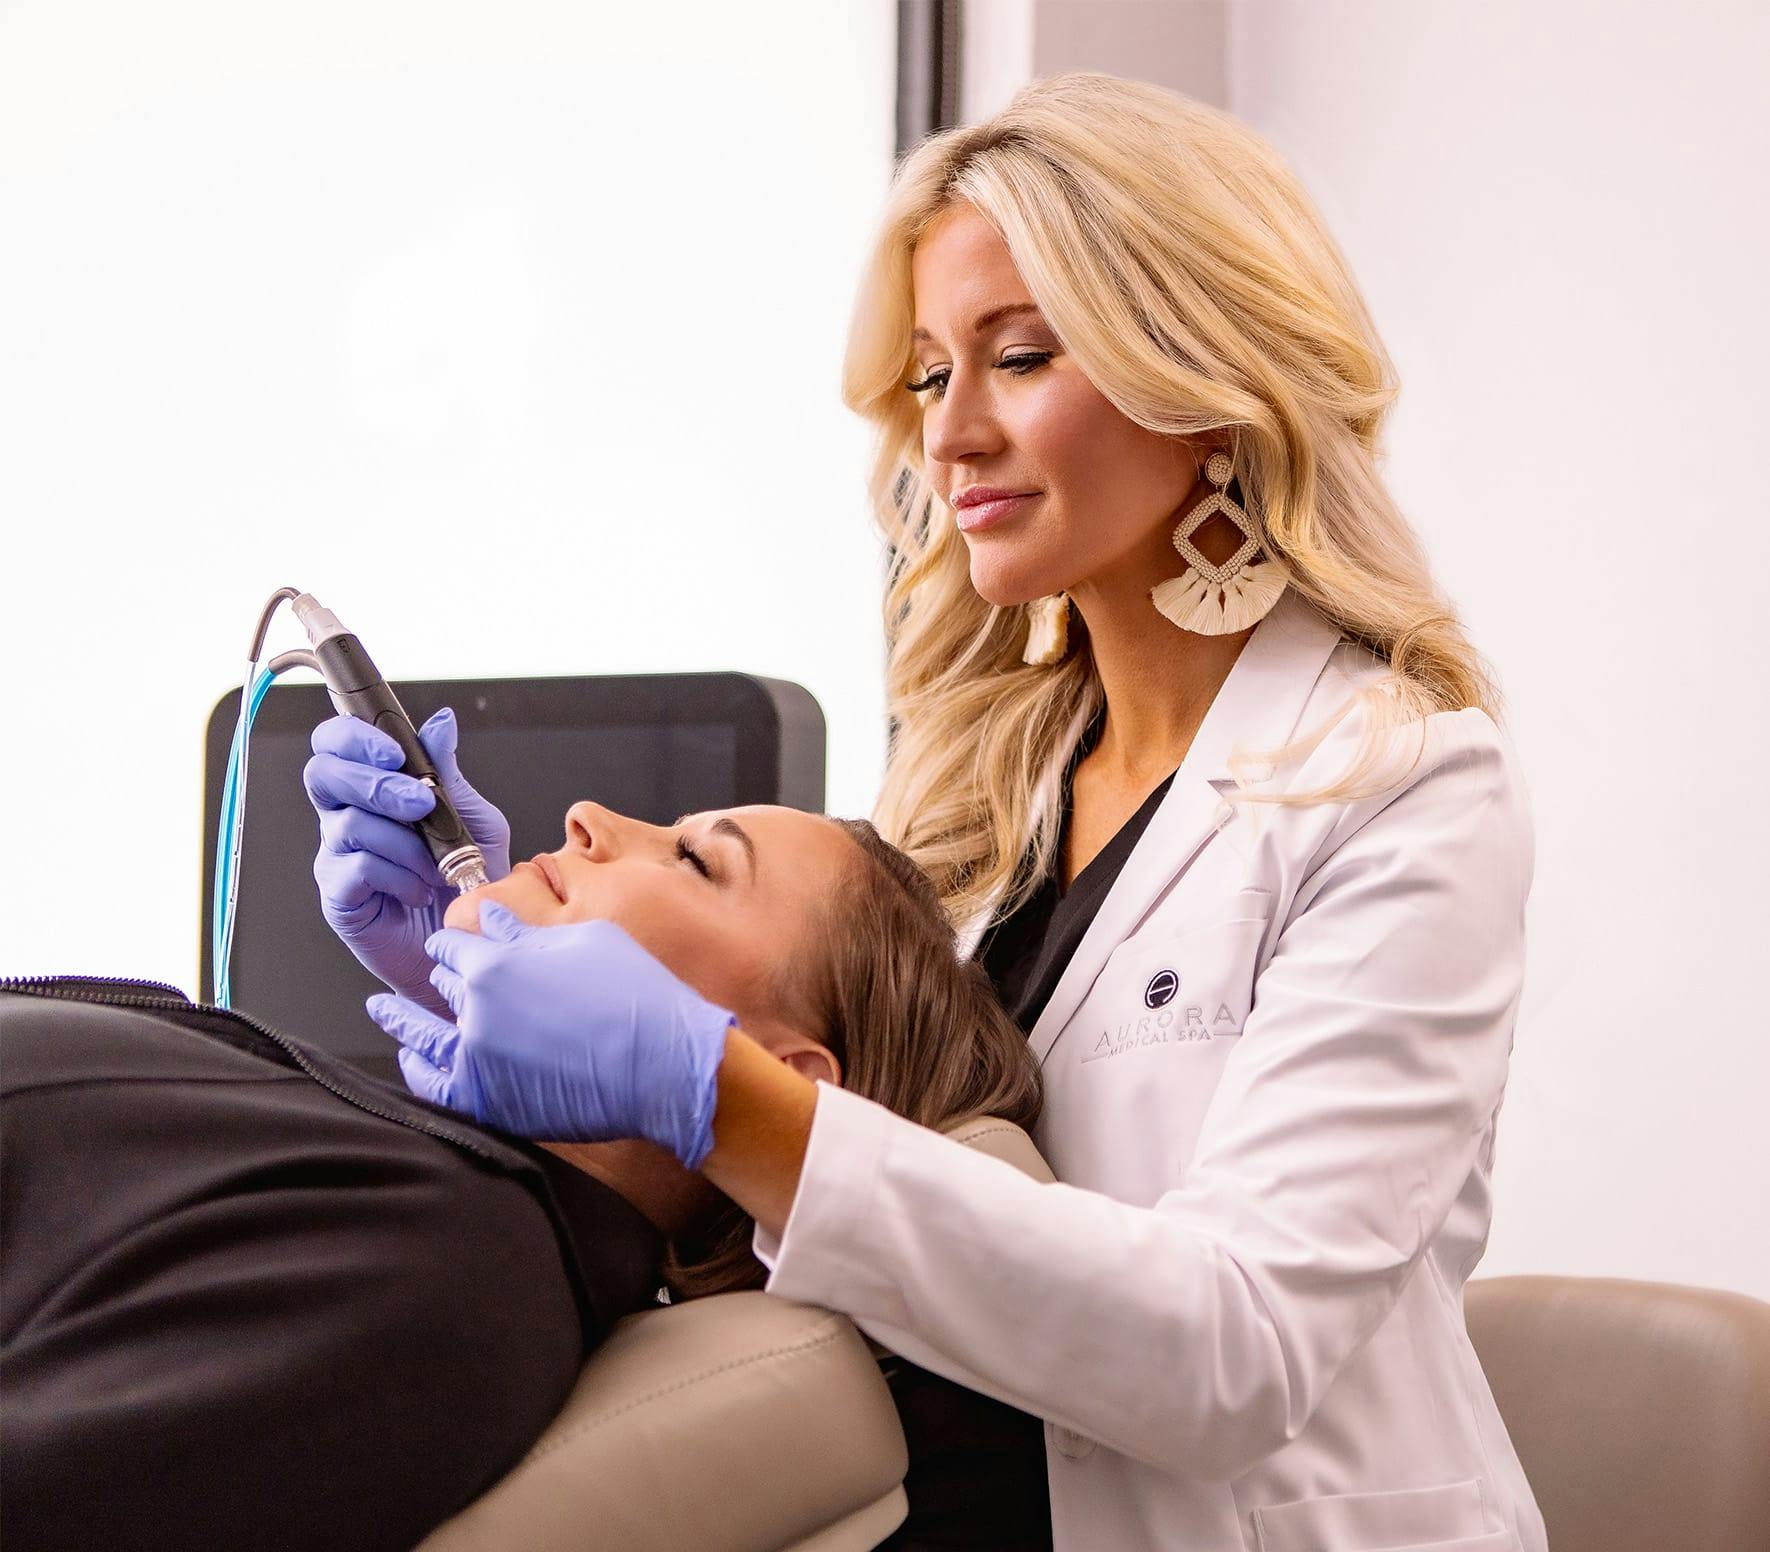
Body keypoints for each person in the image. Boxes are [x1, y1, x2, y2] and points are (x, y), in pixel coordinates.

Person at [340, 72, 1546, 1552]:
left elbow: (1233, 1351)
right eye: (928, 376)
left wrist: (706, 1084)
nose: (950, 433)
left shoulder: (1398, 784)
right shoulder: (975, 790)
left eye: (1020, 356)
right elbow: (824, 1180)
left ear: (1208, 387)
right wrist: (465, 958)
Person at [0, 800, 1041, 1552]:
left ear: (771, 1072)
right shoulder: (423, 1186)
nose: (590, 816)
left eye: (695, 860)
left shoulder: (437, 1265)